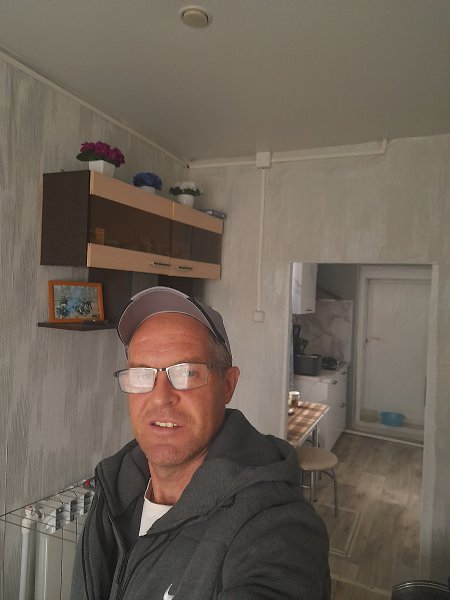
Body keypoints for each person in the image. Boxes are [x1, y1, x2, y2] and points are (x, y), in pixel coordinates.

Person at [70, 286, 330, 600]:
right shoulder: (114, 487)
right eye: (142, 374)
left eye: (187, 373)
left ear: (228, 385)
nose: (160, 397)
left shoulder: (274, 525)